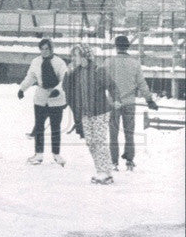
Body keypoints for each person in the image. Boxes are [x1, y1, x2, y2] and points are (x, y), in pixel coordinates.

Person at [65, 44, 121, 184]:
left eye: (75, 56)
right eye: (72, 56)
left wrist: (117, 99)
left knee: (99, 141)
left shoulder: (98, 70)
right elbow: (66, 87)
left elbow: (112, 86)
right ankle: (101, 170)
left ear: (84, 56)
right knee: (91, 142)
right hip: (85, 113)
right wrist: (68, 73)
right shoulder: (76, 72)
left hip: (100, 111)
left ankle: (105, 172)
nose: (73, 58)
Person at [105, 35, 159, 172]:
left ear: (116, 47)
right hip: (129, 103)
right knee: (129, 133)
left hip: (113, 103)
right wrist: (149, 100)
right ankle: (129, 161)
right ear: (128, 46)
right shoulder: (135, 63)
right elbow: (142, 83)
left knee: (113, 133)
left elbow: (102, 83)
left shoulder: (108, 62)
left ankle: (114, 162)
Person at [18, 38, 69, 166]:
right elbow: (31, 77)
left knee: (55, 128)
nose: (44, 51)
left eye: (47, 49)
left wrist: (57, 90)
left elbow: (65, 79)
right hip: (41, 98)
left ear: (51, 49)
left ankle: (56, 154)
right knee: (39, 126)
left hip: (56, 99)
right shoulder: (36, 62)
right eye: (42, 49)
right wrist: (22, 88)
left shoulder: (59, 62)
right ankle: (38, 154)